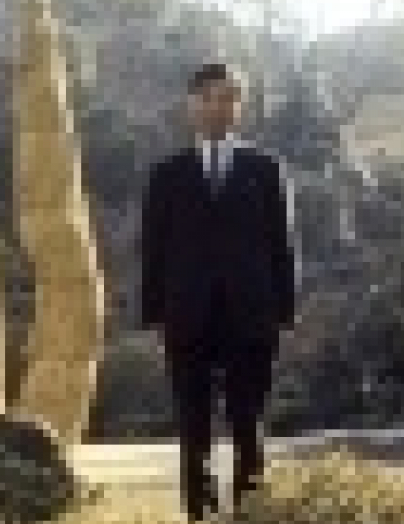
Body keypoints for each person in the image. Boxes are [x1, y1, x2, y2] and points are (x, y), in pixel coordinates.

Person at [140, 63, 295, 521]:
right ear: (192, 104)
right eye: (208, 97)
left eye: (229, 98)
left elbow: (282, 243)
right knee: (194, 425)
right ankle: (198, 512)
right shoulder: (166, 174)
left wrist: (285, 312)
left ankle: (252, 511)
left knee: (249, 422)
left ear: (240, 106)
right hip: (187, 314)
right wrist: (155, 314)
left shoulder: (265, 169)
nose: (218, 107)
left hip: (252, 313)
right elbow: (153, 248)